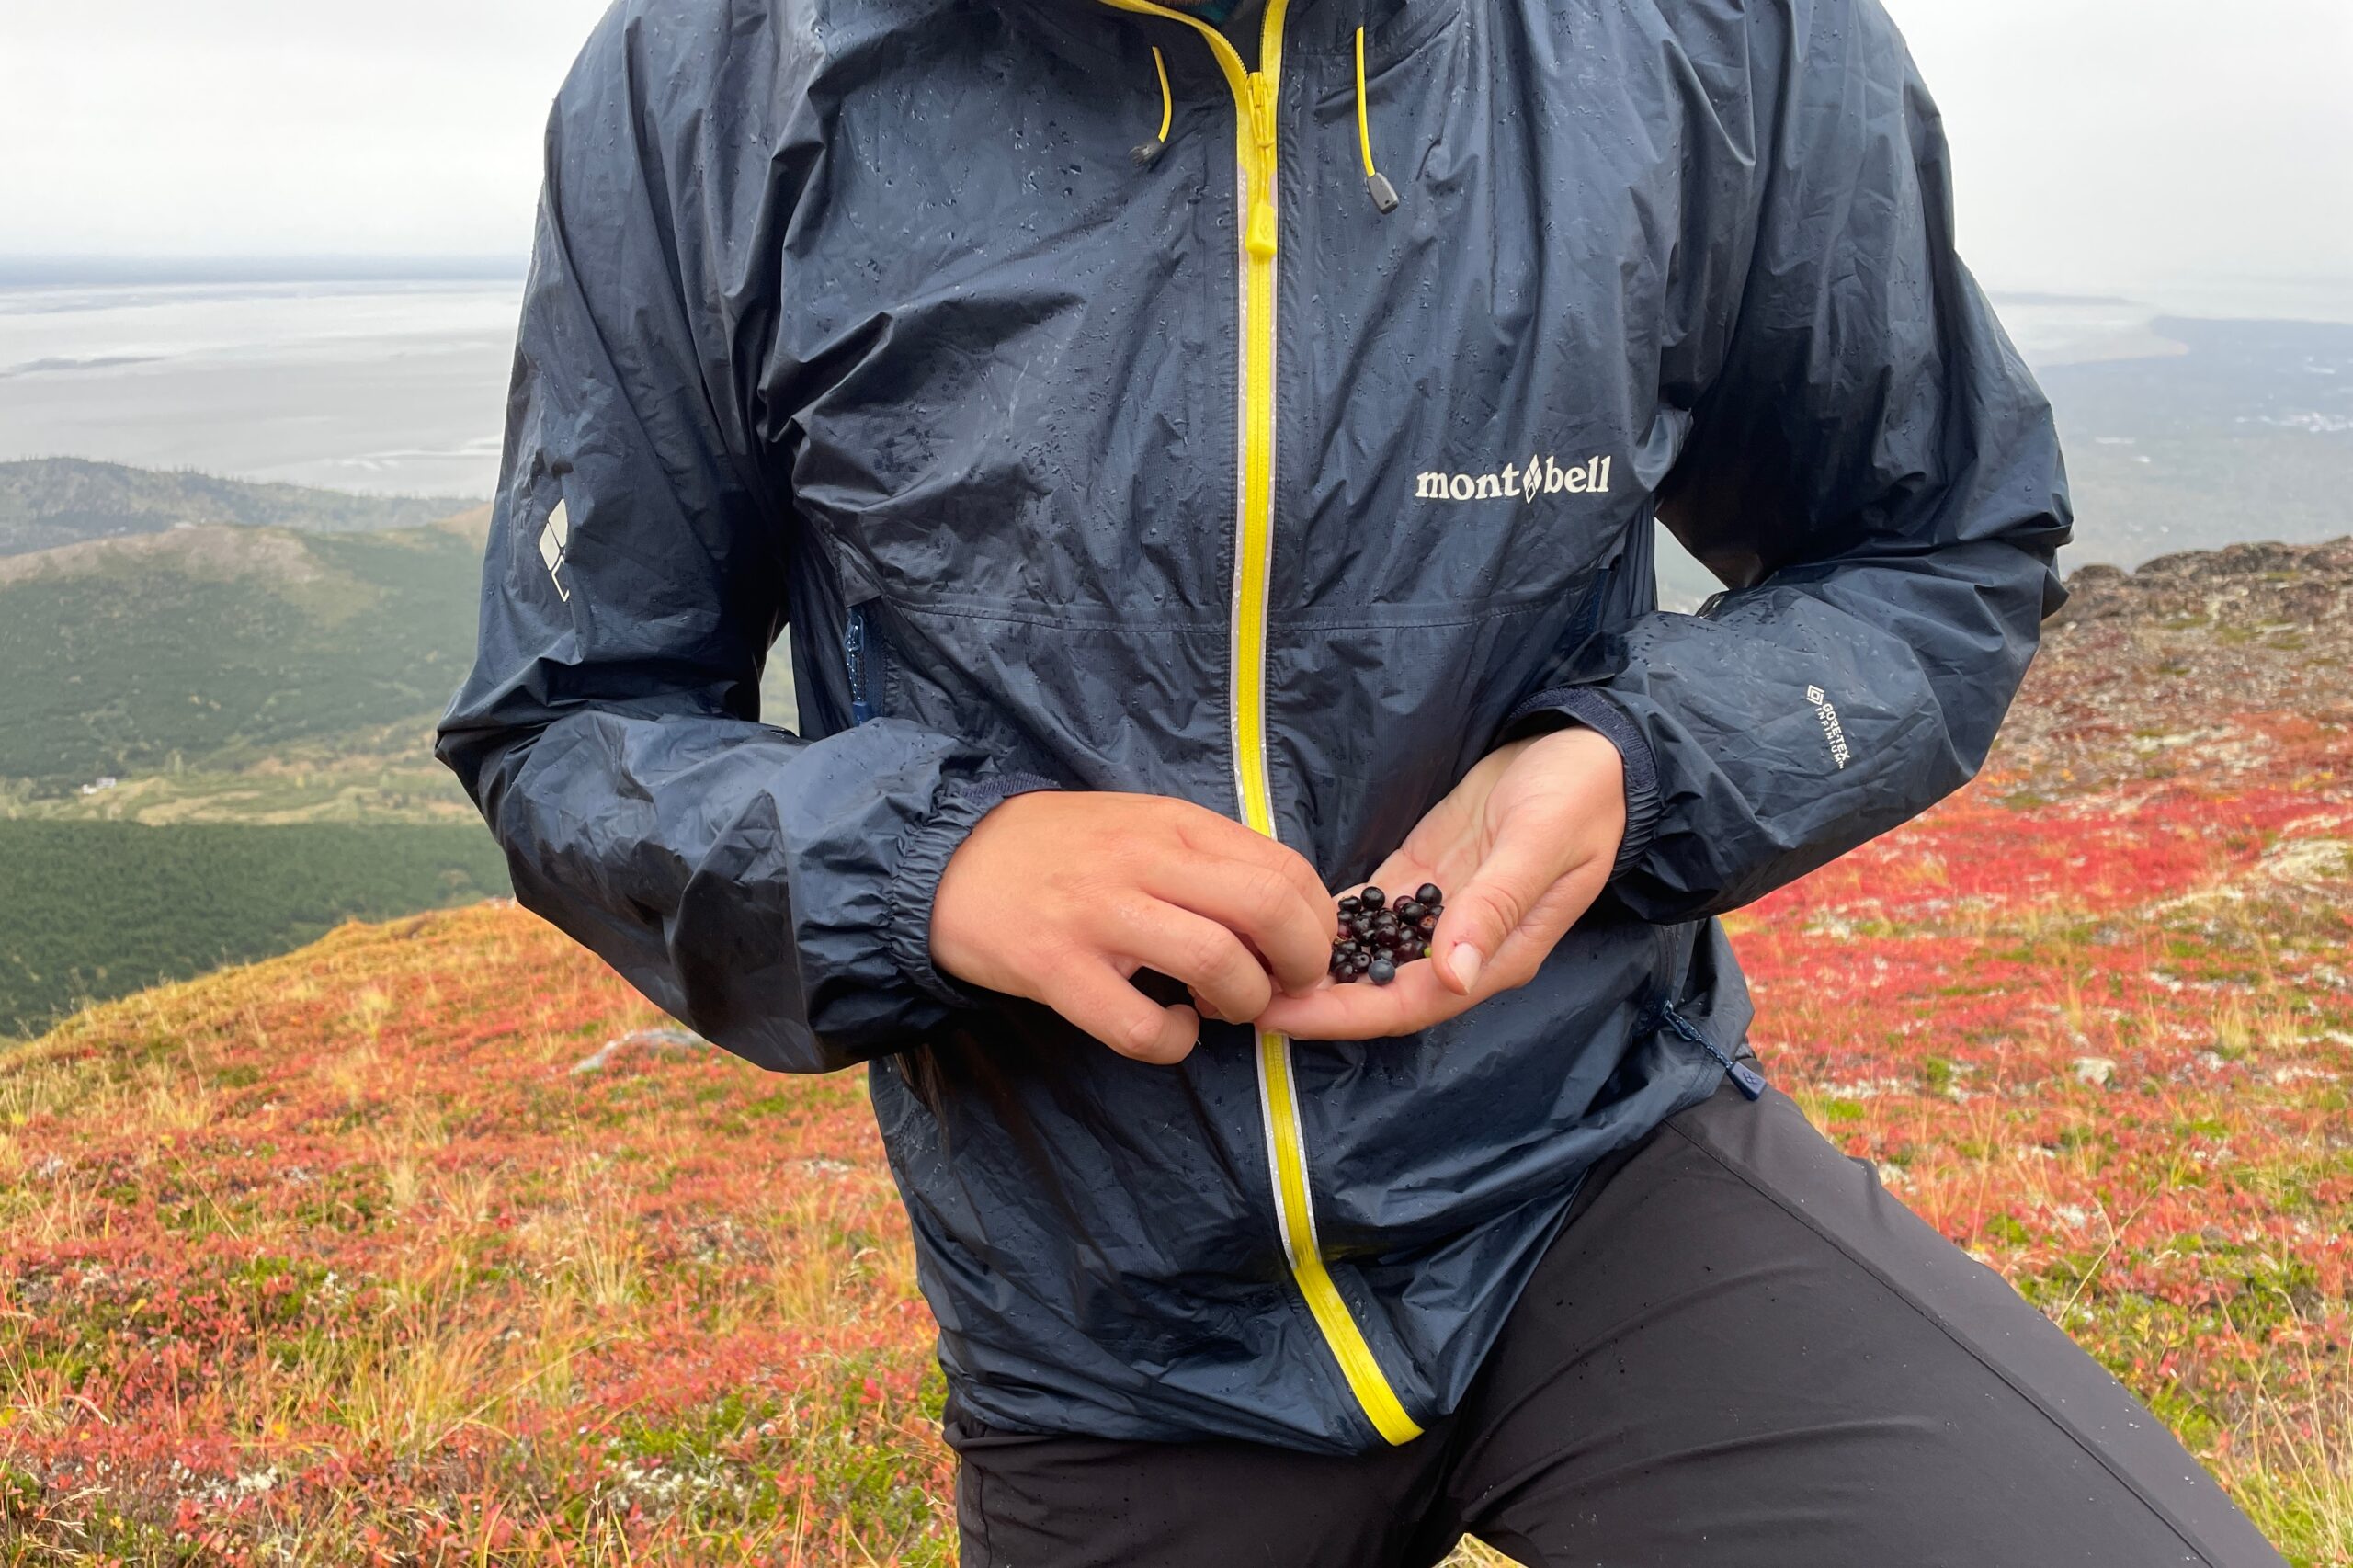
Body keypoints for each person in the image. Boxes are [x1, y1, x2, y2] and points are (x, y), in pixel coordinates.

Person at [437, 0, 2287, 1559]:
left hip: (1596, 1160)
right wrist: (935, 869)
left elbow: (1934, 548)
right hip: (1099, 1319)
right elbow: (571, 716)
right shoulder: (714, 71)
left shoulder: (1708, 34)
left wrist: (1626, 767)